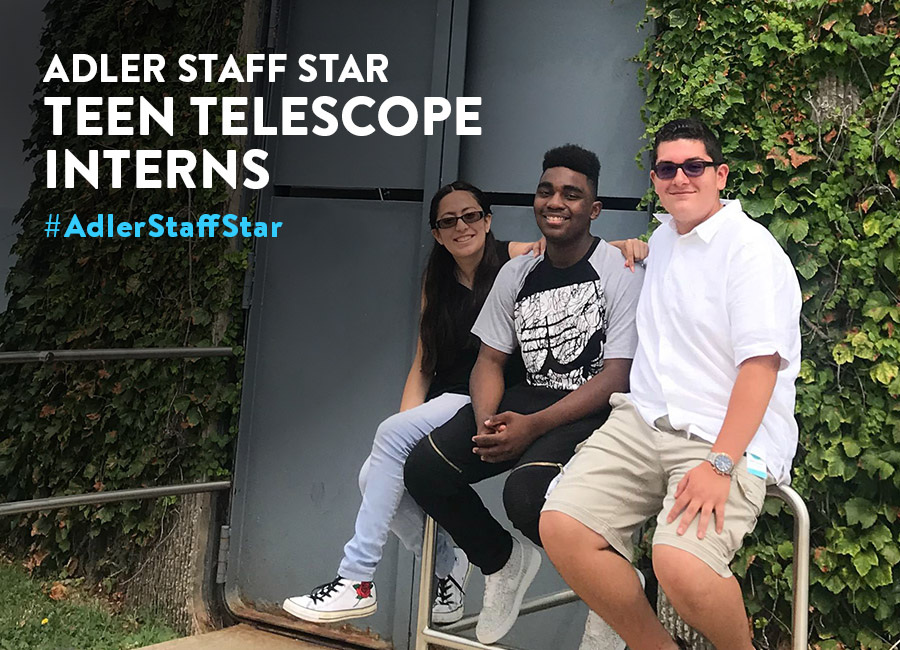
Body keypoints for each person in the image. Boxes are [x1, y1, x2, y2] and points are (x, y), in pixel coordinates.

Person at [540, 118, 802, 650]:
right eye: (666, 168)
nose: (680, 177)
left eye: (694, 166)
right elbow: (622, 251)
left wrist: (721, 463)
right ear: (656, 179)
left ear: (721, 174)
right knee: (563, 527)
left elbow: (760, 368)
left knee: (680, 564)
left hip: (725, 438)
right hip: (644, 421)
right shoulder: (663, 238)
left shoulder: (750, 251)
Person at [403, 144, 644, 645]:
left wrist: (532, 428)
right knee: (425, 468)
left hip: (589, 408)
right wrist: (490, 422)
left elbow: (617, 374)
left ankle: (615, 590)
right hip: (525, 397)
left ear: (593, 210)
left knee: (526, 496)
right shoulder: (517, 272)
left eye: (572, 195)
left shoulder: (620, 272)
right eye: (546, 190)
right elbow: (489, 360)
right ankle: (502, 562)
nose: (556, 202)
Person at [282, 181, 543, 625]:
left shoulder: (515, 257)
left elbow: (577, 253)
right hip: (443, 401)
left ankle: (356, 579)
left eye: (471, 215)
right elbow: (423, 364)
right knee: (372, 475)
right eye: (448, 221)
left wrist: (631, 247)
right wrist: (403, 433)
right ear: (437, 234)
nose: (462, 226)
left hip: (484, 399)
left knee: (389, 441)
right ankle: (449, 564)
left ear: (488, 220)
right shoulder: (436, 279)